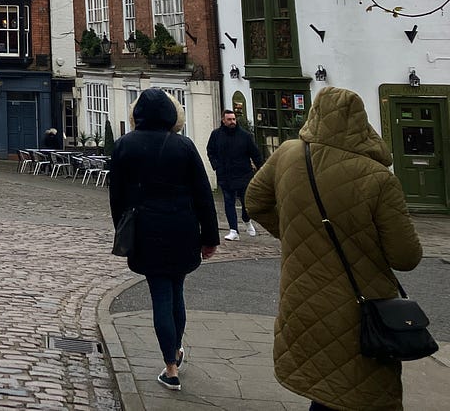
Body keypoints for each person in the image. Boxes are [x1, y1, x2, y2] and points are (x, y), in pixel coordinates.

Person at [245, 87, 423, 411]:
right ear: (360, 122)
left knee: (325, 389)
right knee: (361, 393)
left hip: (300, 299)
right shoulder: (378, 178)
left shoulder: (287, 154)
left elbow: (255, 201)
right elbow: (406, 257)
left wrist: (297, 236)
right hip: (361, 308)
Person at [109, 88, 219, 394]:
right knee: (176, 290)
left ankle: (171, 367)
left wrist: (122, 229)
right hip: (182, 228)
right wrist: (210, 238)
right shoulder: (183, 146)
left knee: (161, 295)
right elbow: (203, 196)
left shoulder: (124, 146)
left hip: (146, 230)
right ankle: (175, 352)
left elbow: (116, 197)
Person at [207, 108, 264, 240]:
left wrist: (262, 169)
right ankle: (234, 230)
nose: (232, 121)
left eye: (233, 119)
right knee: (228, 201)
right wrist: (216, 166)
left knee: (246, 202)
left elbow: (255, 154)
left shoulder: (244, 136)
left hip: (243, 174)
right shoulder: (216, 135)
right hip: (225, 175)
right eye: (229, 119)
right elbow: (210, 151)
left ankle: (246, 219)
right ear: (223, 120)